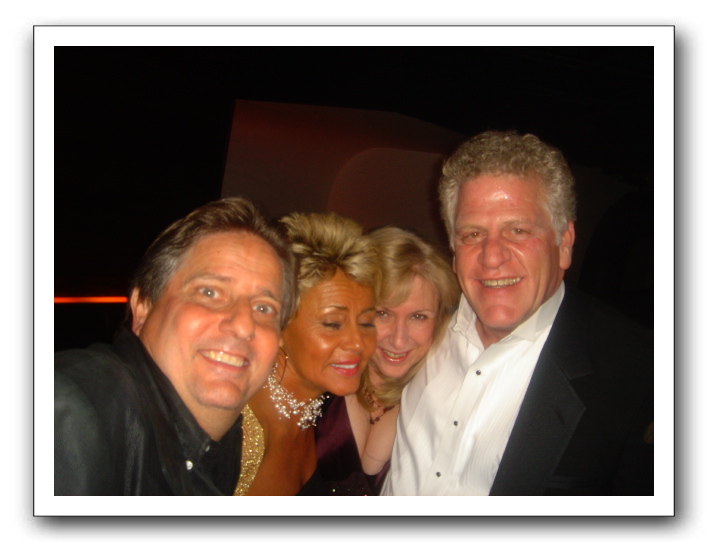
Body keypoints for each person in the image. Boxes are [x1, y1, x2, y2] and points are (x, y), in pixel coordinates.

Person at [382, 130, 654, 496]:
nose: (492, 257)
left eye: (518, 230)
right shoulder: (420, 324)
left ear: (564, 243)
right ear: (453, 249)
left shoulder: (642, 375)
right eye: (473, 234)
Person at [54, 197, 297, 495]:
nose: (244, 324)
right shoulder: (73, 414)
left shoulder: (225, 444)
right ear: (143, 307)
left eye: (264, 308)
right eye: (210, 292)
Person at [233, 212, 379, 496]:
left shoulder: (319, 413)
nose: (358, 343)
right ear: (279, 326)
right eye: (332, 324)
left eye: (366, 323)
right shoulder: (237, 432)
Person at [314, 226, 459, 495]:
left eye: (418, 317)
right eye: (383, 313)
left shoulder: (444, 404)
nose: (399, 340)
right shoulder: (316, 378)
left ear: (439, 320)